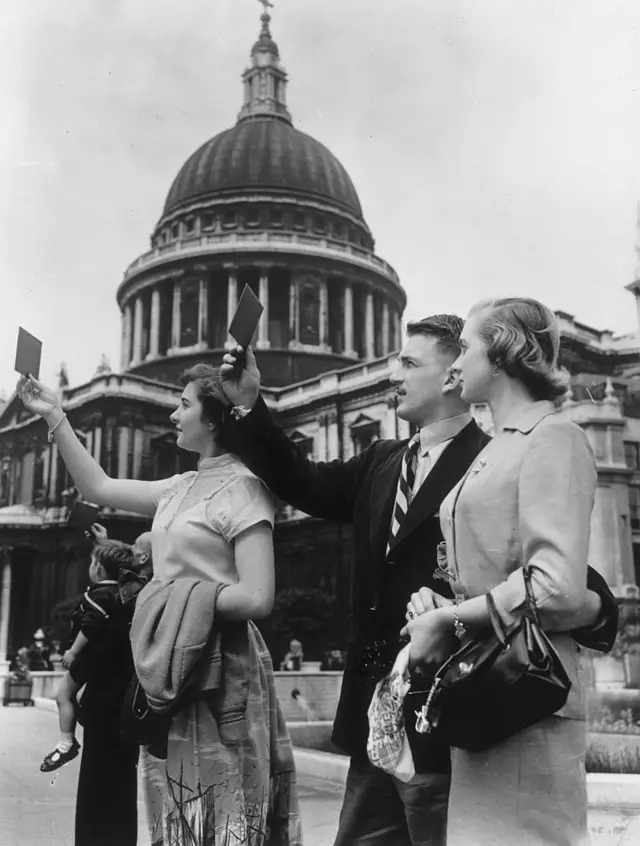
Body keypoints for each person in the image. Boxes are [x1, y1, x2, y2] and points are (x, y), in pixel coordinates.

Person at [220, 316, 617, 846]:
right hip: (373, 714)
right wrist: (250, 406)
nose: (393, 375)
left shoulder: (498, 455)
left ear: (454, 375)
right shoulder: (382, 461)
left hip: (454, 707)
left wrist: (600, 610)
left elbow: (558, 573)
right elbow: (303, 480)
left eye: (409, 363)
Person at [18, 363, 302, 846]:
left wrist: (165, 597)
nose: (173, 415)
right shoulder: (177, 487)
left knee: (224, 804)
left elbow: (258, 596)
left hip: (221, 667)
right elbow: (99, 487)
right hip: (166, 664)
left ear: (212, 421)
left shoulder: (246, 489)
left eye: (184, 405)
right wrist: (55, 417)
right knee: (174, 805)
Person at [403, 297, 603, 845]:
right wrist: (439, 606)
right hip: (490, 688)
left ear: (504, 353)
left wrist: (449, 620)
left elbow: (557, 585)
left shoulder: (552, 438)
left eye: (465, 348)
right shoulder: (497, 448)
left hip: (528, 693)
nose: (454, 364)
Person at [40, 535, 133, 773]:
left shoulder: (100, 595)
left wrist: (73, 651)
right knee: (69, 697)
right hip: (105, 660)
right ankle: (70, 736)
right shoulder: (119, 592)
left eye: (92, 561)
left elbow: (91, 625)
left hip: (88, 657)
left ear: (97, 568)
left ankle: (66, 743)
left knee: (62, 695)